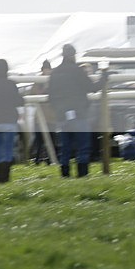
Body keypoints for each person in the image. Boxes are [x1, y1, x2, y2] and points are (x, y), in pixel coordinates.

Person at [48, 44, 106, 178]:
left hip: (62, 114)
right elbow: (92, 87)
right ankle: (82, 174)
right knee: (83, 146)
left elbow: (50, 95)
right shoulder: (77, 71)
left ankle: (65, 174)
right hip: (79, 112)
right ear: (73, 55)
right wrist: (104, 76)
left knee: (65, 147)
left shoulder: (55, 73)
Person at [0, 59, 25, 183]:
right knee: (8, 151)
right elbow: (18, 101)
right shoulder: (10, 84)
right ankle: (5, 179)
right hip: (8, 120)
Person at [29, 60, 56, 165]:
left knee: (52, 138)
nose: (47, 71)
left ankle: (50, 159)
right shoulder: (38, 81)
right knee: (39, 140)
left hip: (51, 115)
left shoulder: (53, 80)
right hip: (40, 116)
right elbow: (33, 93)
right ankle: (38, 159)